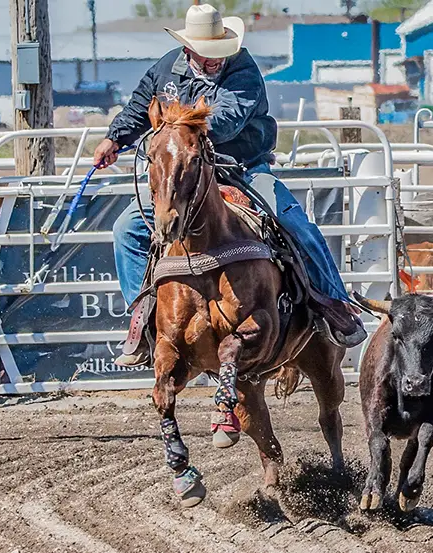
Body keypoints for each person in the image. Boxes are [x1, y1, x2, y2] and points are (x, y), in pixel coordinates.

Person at [95, 4, 365, 366]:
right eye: (207, 55)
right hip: (183, 174)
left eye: (218, 54)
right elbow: (139, 107)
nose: (214, 62)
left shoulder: (242, 67)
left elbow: (228, 120)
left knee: (292, 220)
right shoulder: (165, 68)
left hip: (242, 167)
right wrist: (115, 139)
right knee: (127, 229)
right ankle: (143, 315)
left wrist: (182, 129)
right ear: (189, 48)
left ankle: (332, 303)